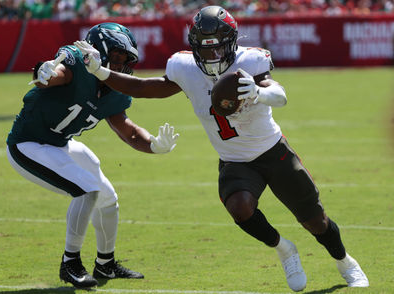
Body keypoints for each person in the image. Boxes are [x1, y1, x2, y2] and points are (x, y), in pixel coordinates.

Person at [43, 6, 367, 292]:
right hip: (235, 161)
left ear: (232, 43)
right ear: (194, 46)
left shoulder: (251, 61)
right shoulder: (185, 68)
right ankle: (284, 249)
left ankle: (345, 261)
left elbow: (280, 95)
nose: (211, 57)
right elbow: (144, 88)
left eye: (217, 48)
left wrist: (259, 92)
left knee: (316, 221)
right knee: (240, 207)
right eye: (204, 48)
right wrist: (100, 72)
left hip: (272, 151)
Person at [6, 22, 179, 289]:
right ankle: (70, 262)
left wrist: (154, 145)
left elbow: (128, 131)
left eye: (126, 59)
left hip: (59, 142)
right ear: (98, 50)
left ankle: (105, 264)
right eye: (118, 56)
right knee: (87, 189)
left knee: (108, 197)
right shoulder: (76, 62)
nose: (121, 65)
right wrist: (45, 72)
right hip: (28, 144)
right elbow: (55, 75)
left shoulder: (115, 89)